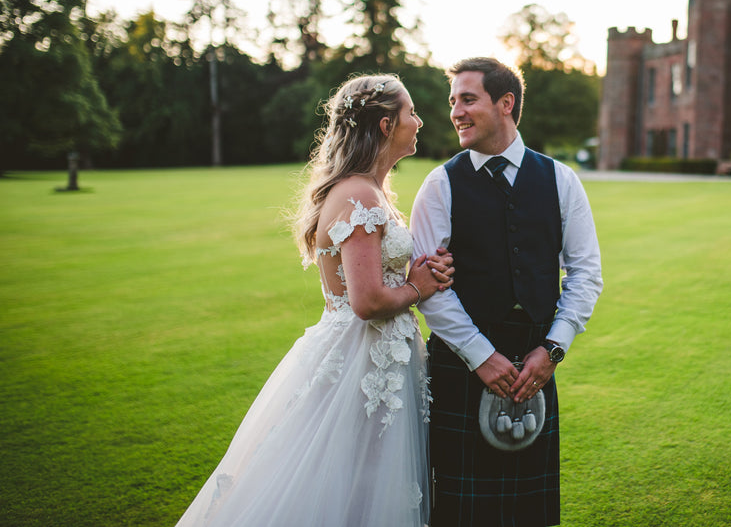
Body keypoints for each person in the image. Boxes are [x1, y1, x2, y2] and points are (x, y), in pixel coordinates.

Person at [176, 74, 454, 527]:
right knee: (353, 484)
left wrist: (424, 269)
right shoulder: (359, 194)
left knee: (359, 482)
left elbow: (376, 274)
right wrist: (418, 288)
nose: (419, 122)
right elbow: (366, 301)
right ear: (386, 126)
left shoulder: (369, 190)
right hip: (362, 359)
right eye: (411, 113)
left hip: (374, 355)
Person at [411, 57, 602, 527]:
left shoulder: (561, 180)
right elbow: (430, 288)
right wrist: (481, 355)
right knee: (460, 509)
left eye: (468, 99)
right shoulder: (440, 184)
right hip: (459, 364)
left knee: (529, 512)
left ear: (506, 103)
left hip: (537, 354)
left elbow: (585, 274)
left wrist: (552, 349)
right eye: (452, 101)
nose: (456, 111)